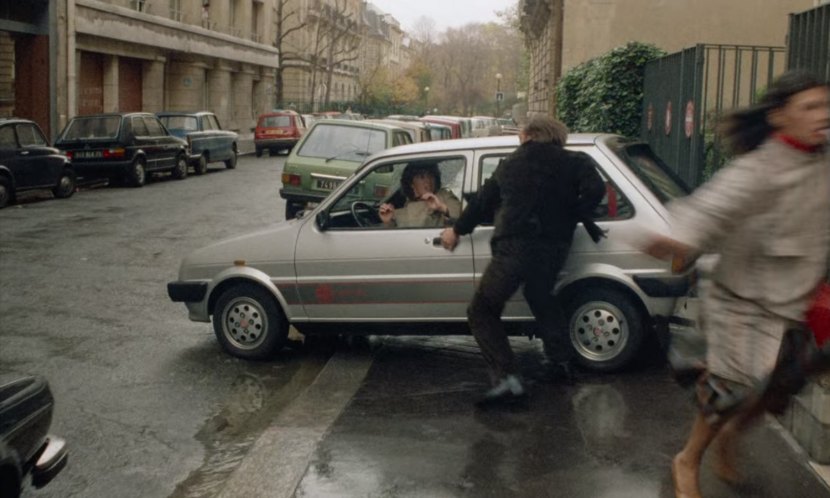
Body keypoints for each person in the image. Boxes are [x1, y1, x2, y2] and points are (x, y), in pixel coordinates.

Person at [643, 71, 830, 498]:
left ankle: (730, 436)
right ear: (780, 116)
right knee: (728, 391)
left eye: (826, 105)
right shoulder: (758, 169)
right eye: (811, 107)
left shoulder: (823, 158)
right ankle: (687, 460)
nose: (823, 115)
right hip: (740, 302)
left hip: (795, 297)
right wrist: (679, 239)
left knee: (780, 388)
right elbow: (711, 208)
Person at [439, 115, 606, 406]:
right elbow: (596, 190)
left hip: (516, 246)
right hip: (555, 246)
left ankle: (508, 381)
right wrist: (571, 213)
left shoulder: (512, 163)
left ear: (529, 135)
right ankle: (560, 363)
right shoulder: (576, 160)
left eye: (520, 133)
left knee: (481, 310)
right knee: (540, 294)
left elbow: (481, 204)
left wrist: (456, 230)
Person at [379, 162, 461, 228]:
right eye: (422, 177)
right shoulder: (403, 206)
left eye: (431, 176)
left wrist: (441, 207)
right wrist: (388, 222)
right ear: (412, 183)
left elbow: (463, 217)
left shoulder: (445, 195)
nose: (428, 181)